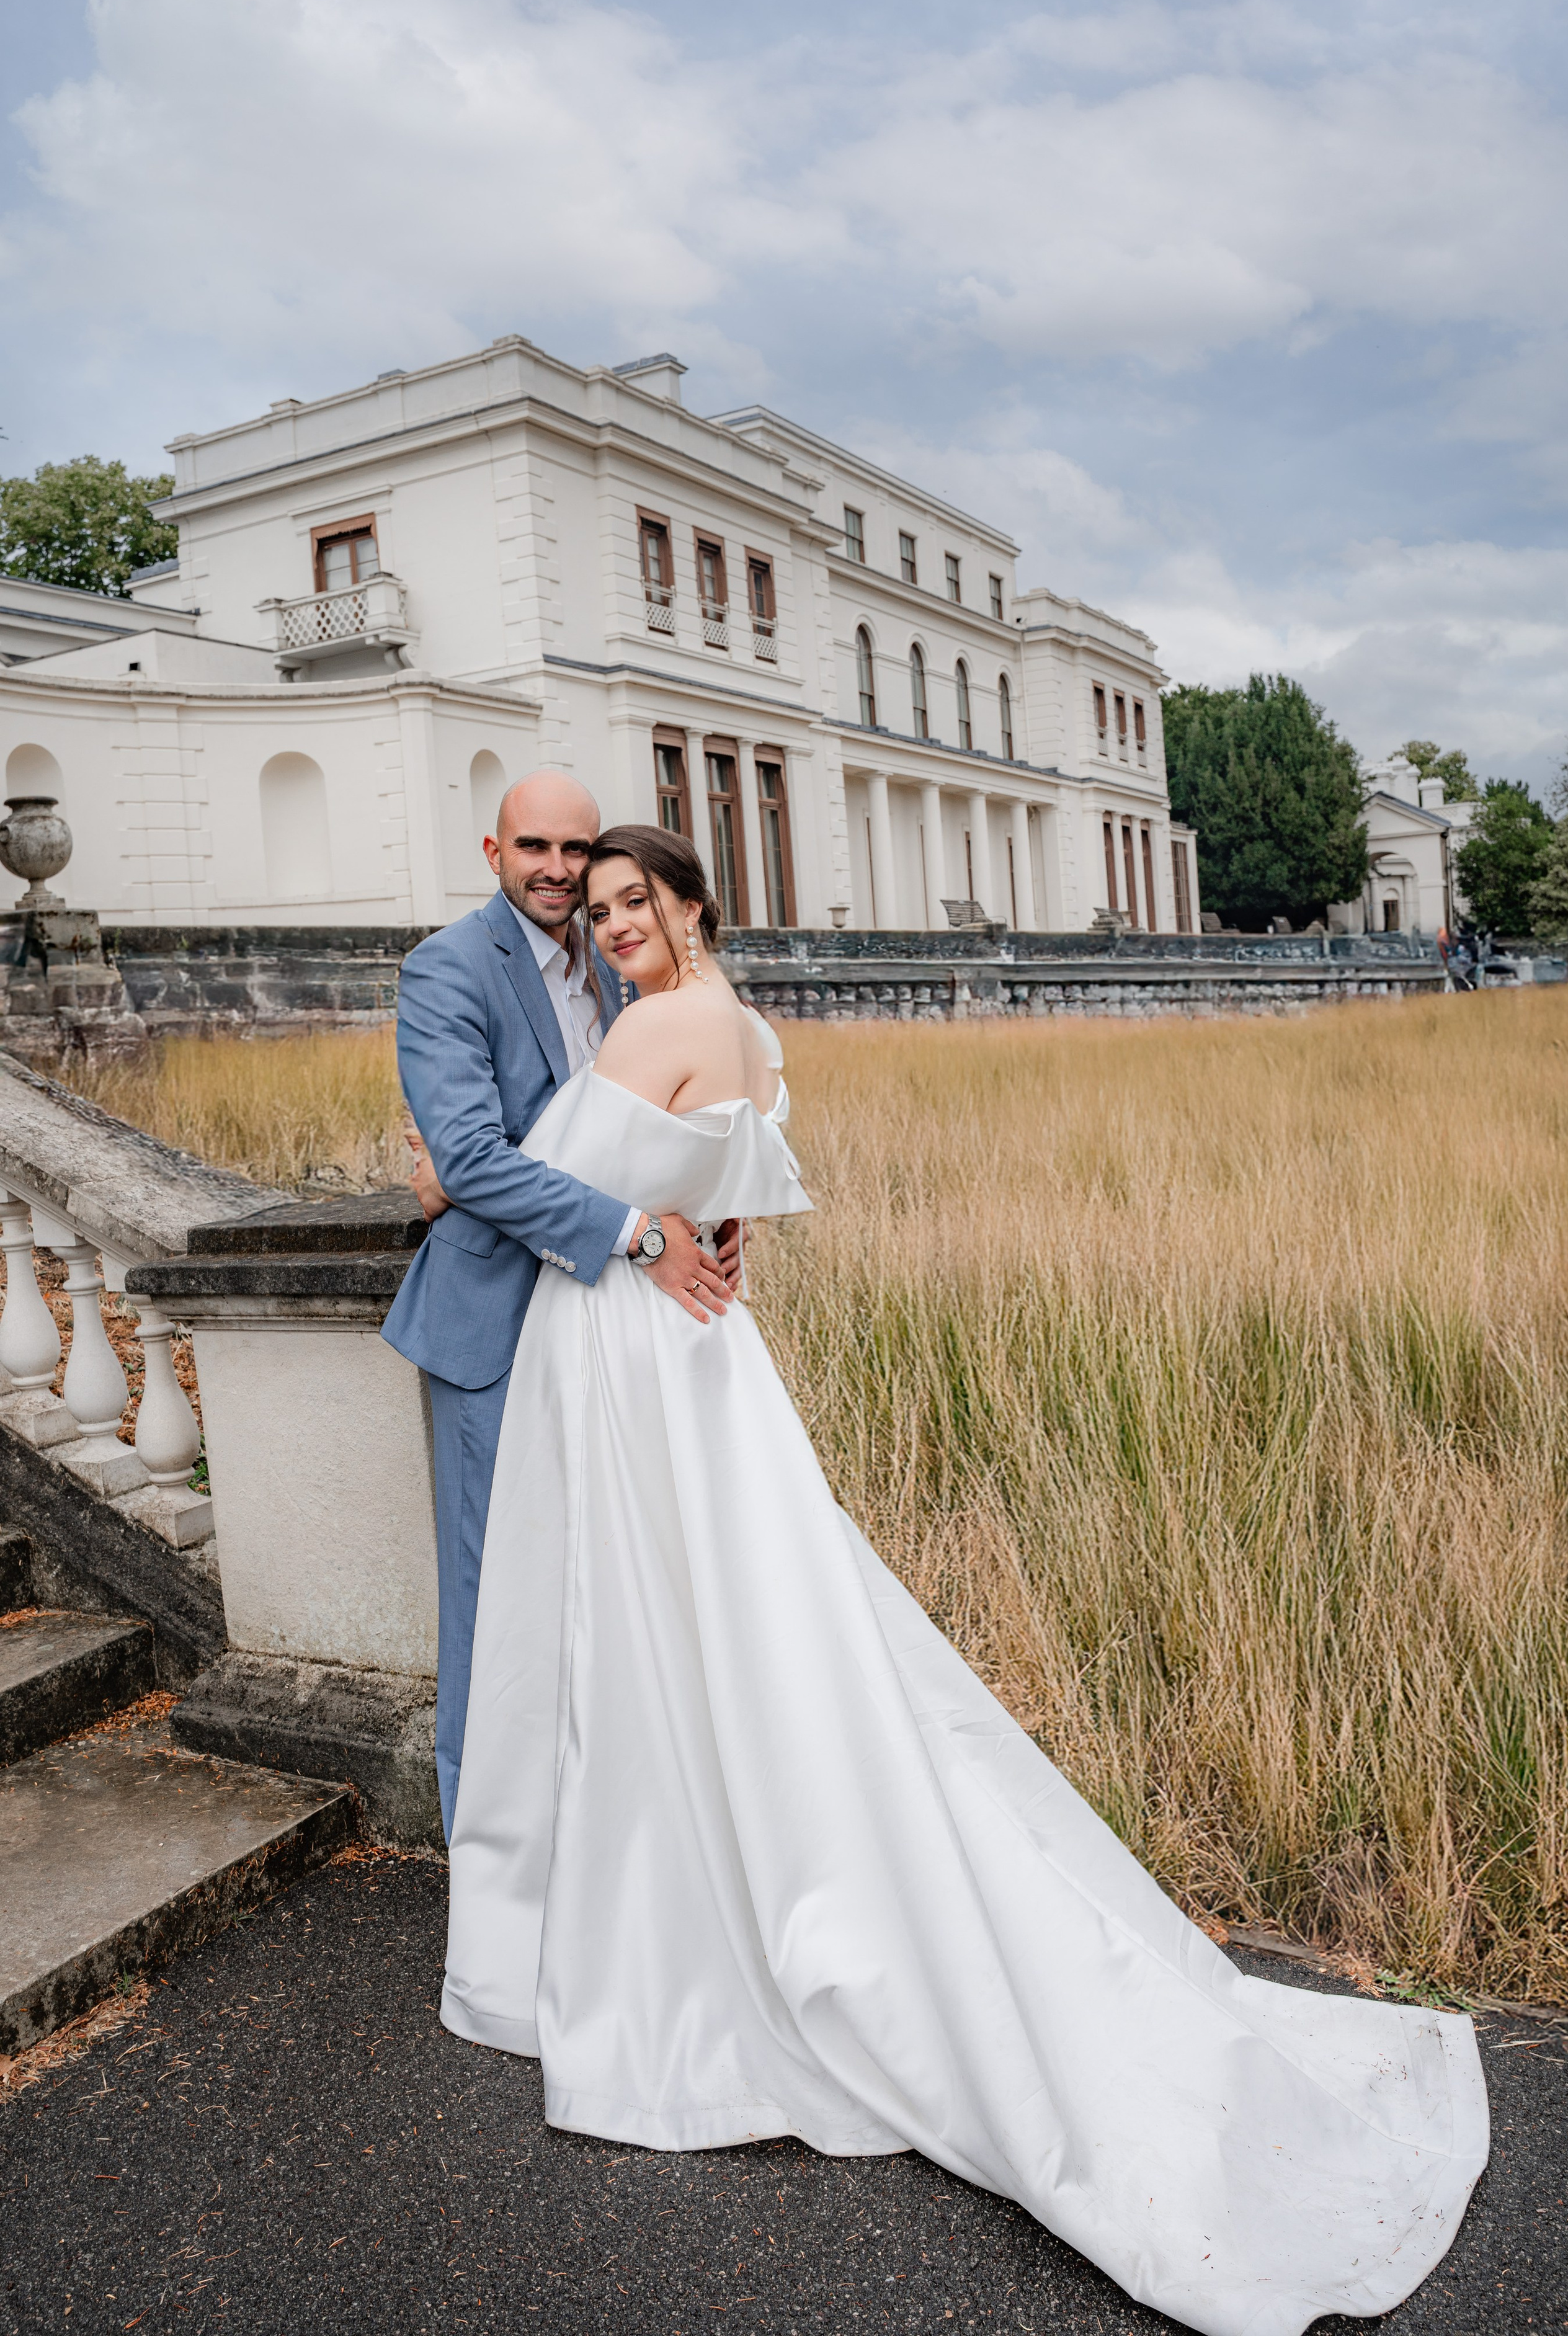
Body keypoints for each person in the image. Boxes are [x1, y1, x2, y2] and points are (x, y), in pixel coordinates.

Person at [438, 823, 1489, 2336]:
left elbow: (539, 1177)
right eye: (596, 911)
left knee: (653, 1641)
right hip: (692, 1358)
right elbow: (735, 1197)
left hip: (625, 1357)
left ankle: (676, 1943)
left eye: (630, 903)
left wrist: (548, 1196)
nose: (610, 929)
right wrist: (685, 1227)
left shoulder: (664, 1021)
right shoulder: (742, 1027)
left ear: (686, 906)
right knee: (730, 1631)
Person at [381, 775, 737, 1839]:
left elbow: (669, 1120)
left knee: (605, 1588)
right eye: (532, 845)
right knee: (495, 1606)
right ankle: (485, 1856)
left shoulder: (628, 969)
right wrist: (637, 1229)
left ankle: (598, 1842)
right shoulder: (447, 969)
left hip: (608, 1333)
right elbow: (479, 1159)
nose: (557, 867)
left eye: (576, 849)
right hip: (496, 1324)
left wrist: (718, 1206)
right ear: (492, 850)